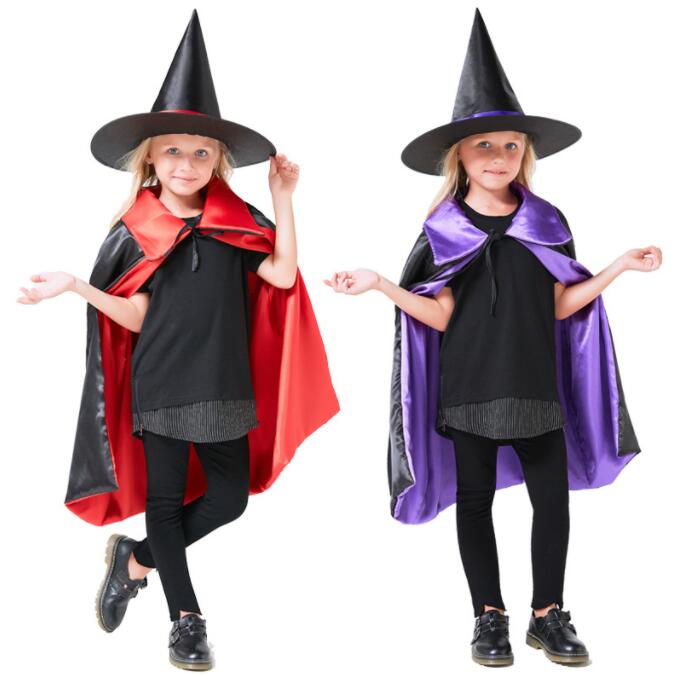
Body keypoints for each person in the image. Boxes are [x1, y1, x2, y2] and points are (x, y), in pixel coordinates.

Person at [324, 8, 660, 668]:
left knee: (551, 503)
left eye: (510, 146)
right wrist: (383, 285)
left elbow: (561, 304)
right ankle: (490, 618)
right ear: (459, 156)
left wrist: (616, 267)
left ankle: (547, 615)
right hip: (470, 388)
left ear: (523, 155)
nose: (499, 157)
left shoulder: (546, 222)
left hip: (535, 385)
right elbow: (440, 315)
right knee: (474, 503)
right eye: (484, 146)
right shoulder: (443, 231)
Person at [18, 10, 339, 671]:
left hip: (224, 382)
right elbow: (135, 315)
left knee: (229, 499)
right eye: (173, 151)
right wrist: (78, 286)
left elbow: (281, 275)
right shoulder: (137, 229)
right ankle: (186, 622)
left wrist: (283, 198)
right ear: (150, 159)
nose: (186, 163)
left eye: (200, 152)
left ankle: (135, 560)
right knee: (165, 503)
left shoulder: (236, 223)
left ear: (217, 160)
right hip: (161, 381)